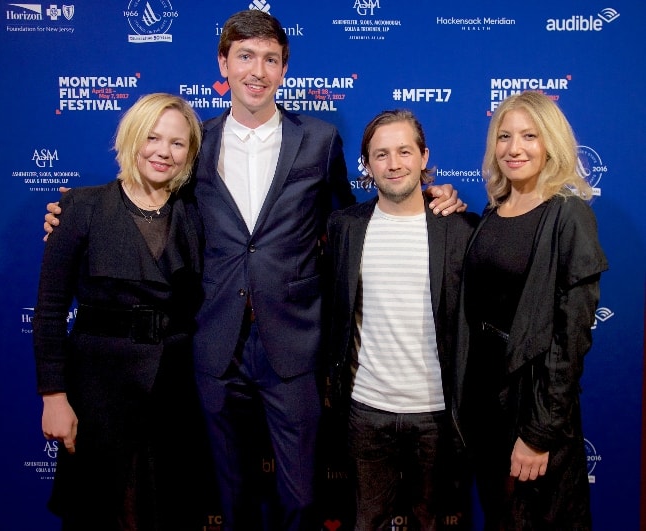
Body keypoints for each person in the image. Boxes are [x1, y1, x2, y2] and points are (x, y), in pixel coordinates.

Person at [43, 10, 464, 530]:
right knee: (227, 495)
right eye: (245, 57)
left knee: (300, 498)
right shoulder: (194, 143)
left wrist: (433, 196)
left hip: (293, 346)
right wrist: (74, 216)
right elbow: (145, 200)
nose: (257, 70)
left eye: (270, 59)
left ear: (284, 69)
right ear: (224, 63)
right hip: (212, 341)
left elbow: (348, 220)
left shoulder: (319, 139)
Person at [33, 93, 208, 531]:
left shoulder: (197, 213)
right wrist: (54, 397)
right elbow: (51, 310)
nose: (163, 152)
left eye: (177, 143)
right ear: (132, 139)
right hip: (98, 393)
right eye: (152, 137)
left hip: (176, 390)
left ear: (189, 154)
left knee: (170, 510)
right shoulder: (80, 208)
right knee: (100, 510)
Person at [452, 91, 609, 530]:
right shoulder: (494, 210)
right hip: (484, 400)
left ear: (551, 144)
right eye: (504, 136)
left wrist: (539, 433)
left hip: (531, 405)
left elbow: (570, 336)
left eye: (529, 136)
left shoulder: (568, 214)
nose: (514, 148)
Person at [325, 110, 479, 530]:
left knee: (429, 522)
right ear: (367, 165)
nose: (393, 164)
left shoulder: (461, 228)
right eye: (381, 155)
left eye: (404, 151)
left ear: (424, 157)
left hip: (435, 415)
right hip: (365, 410)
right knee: (366, 521)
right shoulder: (345, 227)